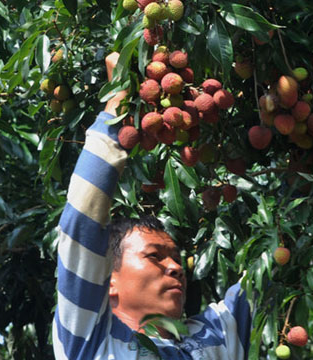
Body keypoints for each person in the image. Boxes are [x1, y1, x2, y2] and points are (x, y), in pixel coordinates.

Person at [52, 53, 251, 359]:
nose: (176, 268)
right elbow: (82, 221)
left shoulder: (220, 334)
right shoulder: (90, 340)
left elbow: (278, 262)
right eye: (155, 257)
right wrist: (117, 107)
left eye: (174, 257)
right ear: (109, 280)